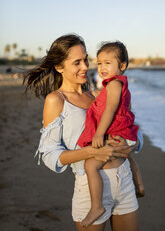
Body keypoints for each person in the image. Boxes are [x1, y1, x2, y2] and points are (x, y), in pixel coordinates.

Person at [23, 34, 143, 231]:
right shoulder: (57, 100)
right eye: (77, 62)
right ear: (59, 67)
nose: (86, 67)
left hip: (124, 180)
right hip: (91, 190)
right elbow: (49, 154)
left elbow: (129, 125)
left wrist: (133, 145)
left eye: (86, 59)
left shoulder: (98, 94)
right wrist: (91, 153)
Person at [77, 41, 145, 227]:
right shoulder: (120, 85)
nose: (102, 67)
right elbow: (127, 110)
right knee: (127, 156)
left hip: (119, 134)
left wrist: (99, 133)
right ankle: (139, 184)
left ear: (121, 66)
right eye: (99, 63)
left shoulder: (114, 84)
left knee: (91, 165)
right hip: (126, 134)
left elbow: (111, 109)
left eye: (108, 63)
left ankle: (97, 206)